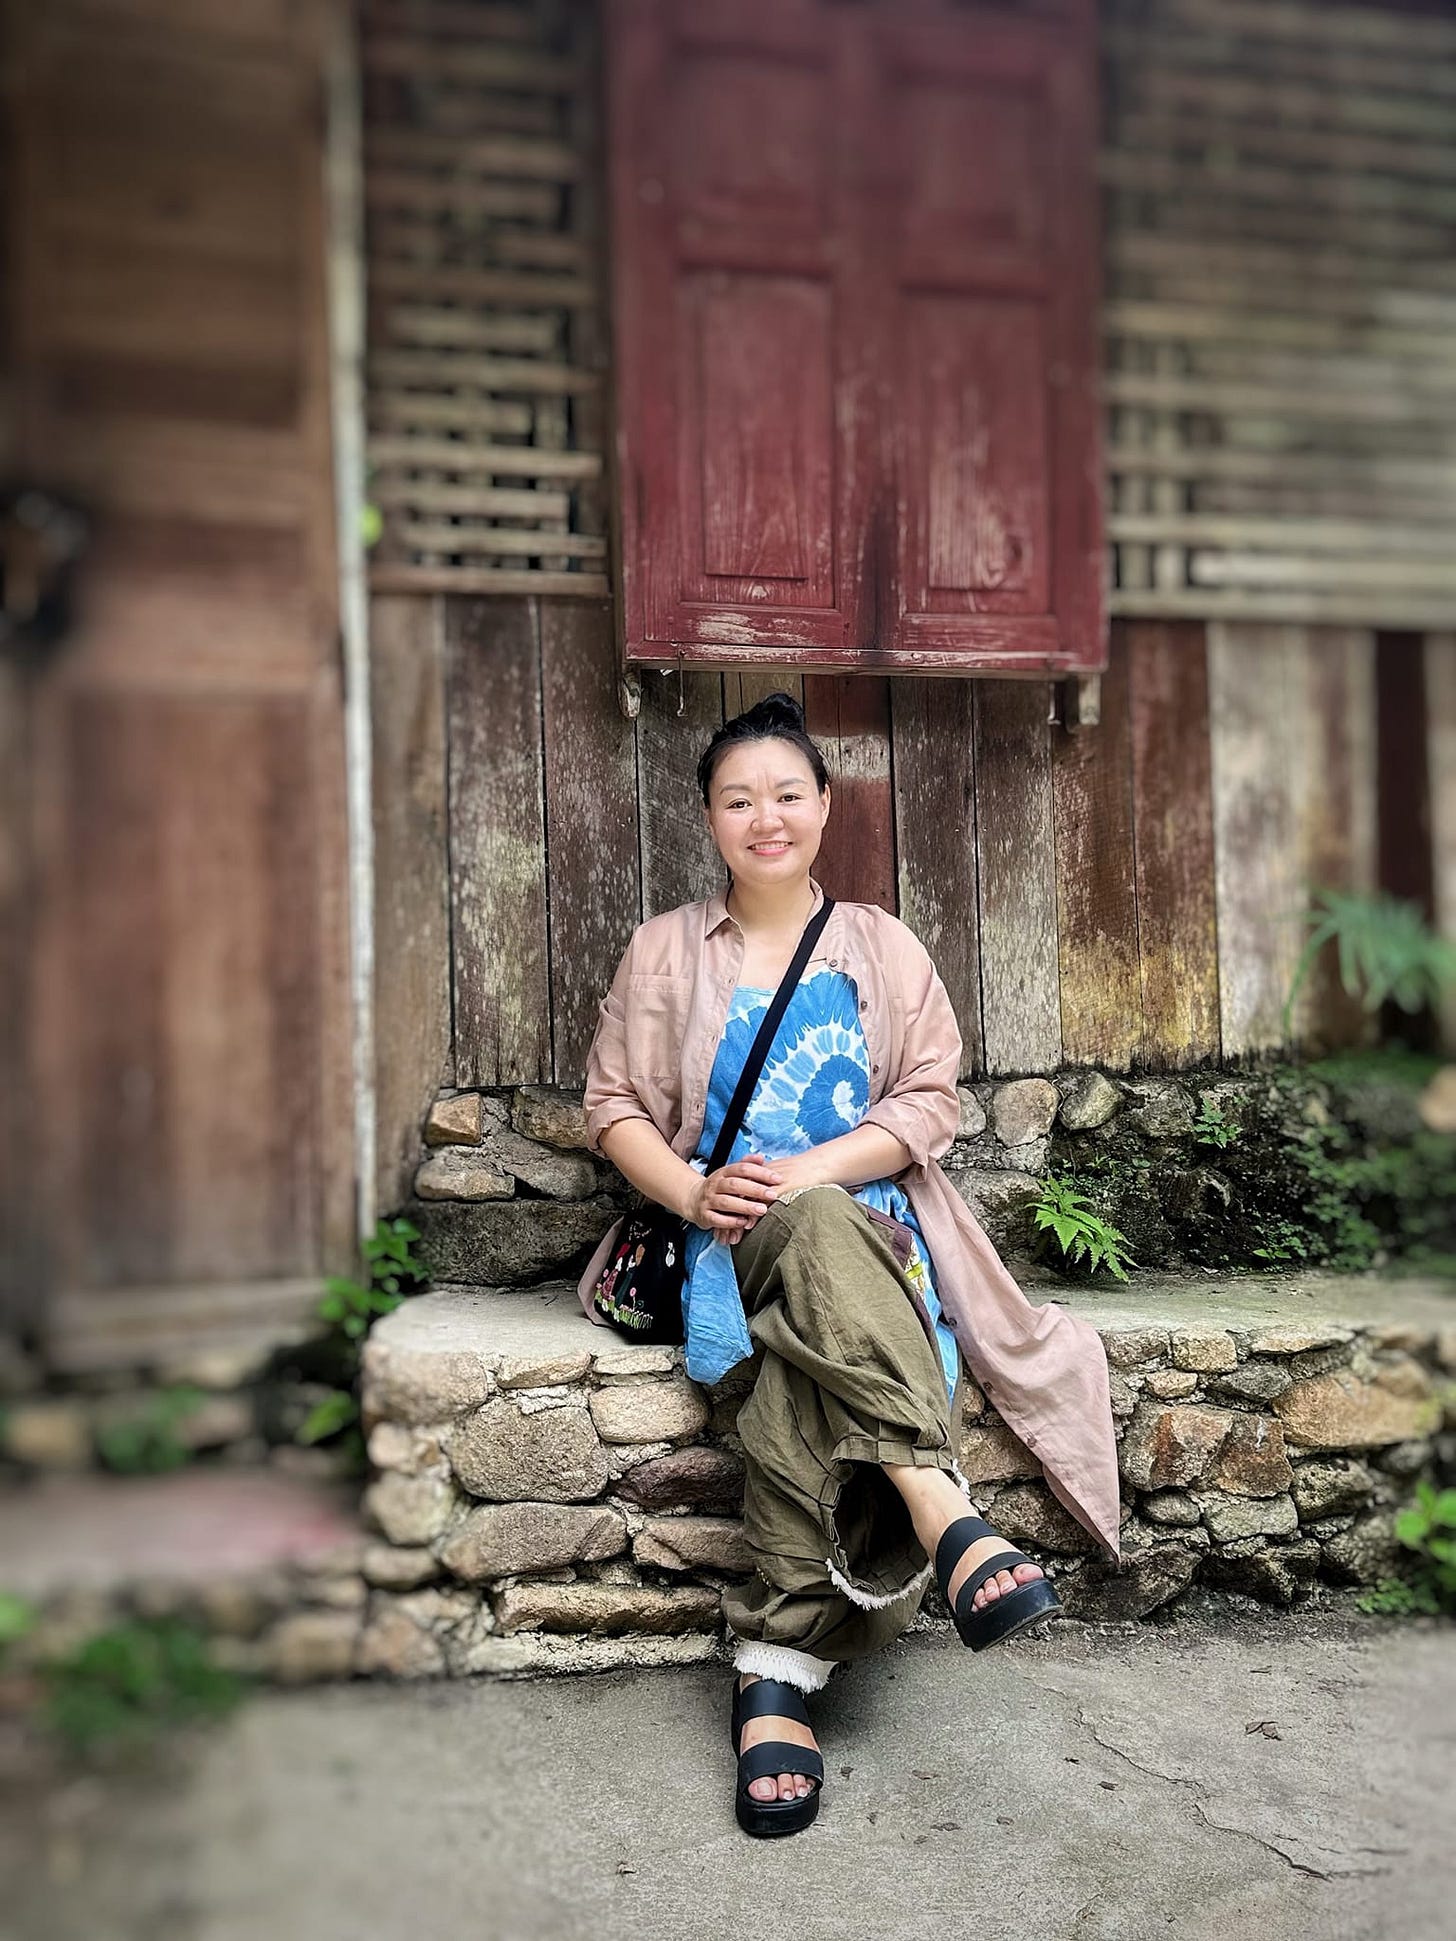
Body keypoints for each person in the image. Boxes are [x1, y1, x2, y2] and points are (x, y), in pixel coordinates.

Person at [575, 692, 1120, 1838]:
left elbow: (928, 1102)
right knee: (803, 1260)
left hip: (875, 1241)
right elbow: (613, 1104)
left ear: (824, 806)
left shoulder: (880, 944)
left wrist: (810, 1172)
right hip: (726, 1245)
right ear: (709, 819)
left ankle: (776, 1674)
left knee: (798, 1369)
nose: (765, 817)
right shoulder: (664, 949)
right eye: (738, 800)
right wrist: (693, 1193)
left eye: (787, 794)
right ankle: (939, 1509)